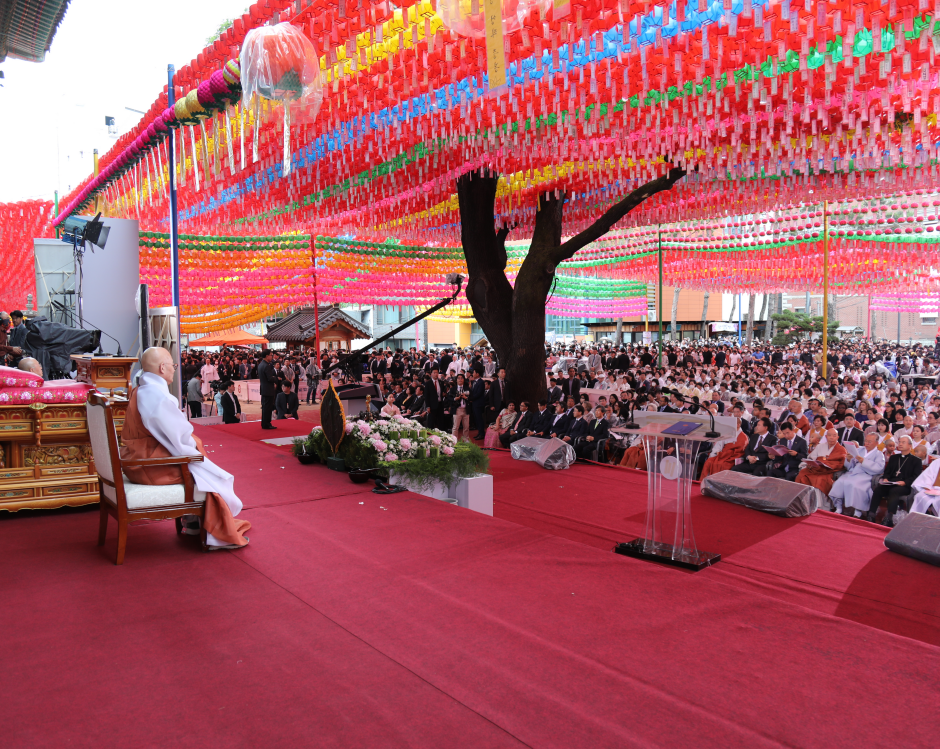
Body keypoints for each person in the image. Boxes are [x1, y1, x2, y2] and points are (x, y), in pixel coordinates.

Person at [121, 347, 250, 550]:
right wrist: (197, 449)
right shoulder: (158, 397)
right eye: (172, 365)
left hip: (135, 460)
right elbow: (181, 440)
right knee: (205, 477)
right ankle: (216, 534)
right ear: (162, 368)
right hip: (149, 467)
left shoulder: (141, 390)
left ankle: (192, 523)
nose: (174, 369)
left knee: (200, 465)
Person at [868, 436, 922, 525]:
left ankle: (889, 518)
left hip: (904, 486)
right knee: (878, 490)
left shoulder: (916, 461)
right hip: (891, 483)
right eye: (899, 442)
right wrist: (885, 478)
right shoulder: (894, 458)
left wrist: (905, 482)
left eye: (903, 442)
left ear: (910, 446)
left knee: (894, 491)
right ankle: (871, 514)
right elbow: (887, 471)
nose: (900, 444)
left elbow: (916, 476)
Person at [829, 432, 884, 516]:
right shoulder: (859, 450)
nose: (867, 443)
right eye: (866, 441)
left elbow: (879, 468)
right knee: (839, 482)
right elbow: (849, 466)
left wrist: (863, 461)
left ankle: (858, 511)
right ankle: (838, 507)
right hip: (852, 473)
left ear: (877, 443)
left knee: (855, 485)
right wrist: (848, 459)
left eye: (870, 442)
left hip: (866, 475)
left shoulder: (879, 454)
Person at [795, 429, 847, 496]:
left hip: (828, 472)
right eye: (829, 435)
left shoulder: (841, 449)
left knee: (820, 480)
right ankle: (803, 498)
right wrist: (810, 464)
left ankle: (819, 504)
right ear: (826, 436)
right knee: (802, 474)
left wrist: (825, 463)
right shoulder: (820, 446)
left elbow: (841, 463)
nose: (831, 437)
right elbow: (811, 458)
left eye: (834, 436)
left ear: (837, 437)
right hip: (815, 469)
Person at [257, 350, 279, 430]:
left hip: (264, 389)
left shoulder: (260, 365)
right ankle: (267, 423)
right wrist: (275, 378)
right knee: (268, 408)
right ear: (267, 356)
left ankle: (264, 423)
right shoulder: (266, 365)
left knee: (265, 407)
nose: (271, 357)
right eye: (270, 355)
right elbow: (270, 378)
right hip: (268, 389)